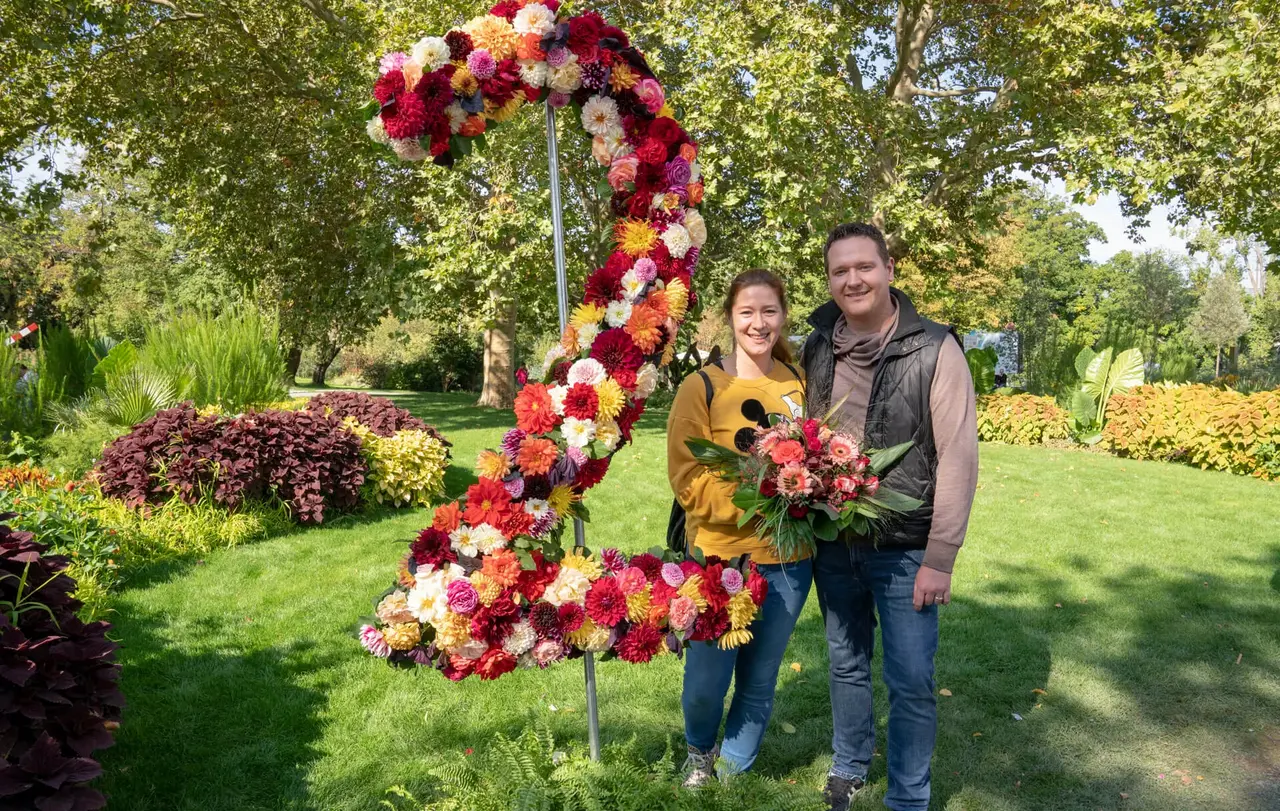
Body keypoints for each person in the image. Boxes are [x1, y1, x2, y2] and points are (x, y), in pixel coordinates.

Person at [801, 223, 978, 811]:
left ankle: (908, 796)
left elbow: (958, 455)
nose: (852, 279)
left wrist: (941, 558)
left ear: (889, 270)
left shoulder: (934, 348)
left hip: (906, 549)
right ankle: (850, 765)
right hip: (834, 541)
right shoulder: (818, 344)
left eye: (864, 267)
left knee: (910, 681)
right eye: (839, 271)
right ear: (830, 280)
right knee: (846, 664)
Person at [666, 269, 811, 785]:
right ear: (730, 317)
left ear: (782, 316)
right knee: (707, 678)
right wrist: (759, 499)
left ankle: (732, 770)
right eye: (747, 311)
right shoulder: (701, 386)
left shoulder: (797, 382)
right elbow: (687, 477)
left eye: (769, 311)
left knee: (760, 675)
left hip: (789, 559)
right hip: (719, 559)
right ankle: (700, 751)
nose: (758, 322)